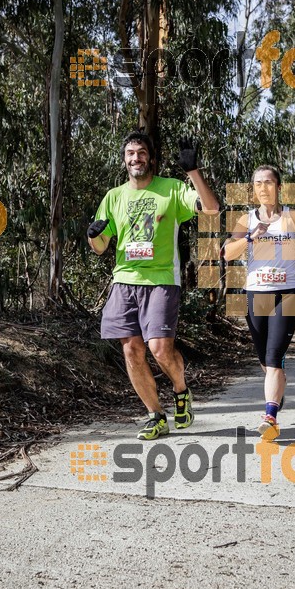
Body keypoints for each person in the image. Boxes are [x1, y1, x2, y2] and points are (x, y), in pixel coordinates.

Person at [88, 131, 219, 441]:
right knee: (132, 350)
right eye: (131, 153)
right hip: (125, 281)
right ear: (124, 160)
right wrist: (93, 234)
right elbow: (101, 247)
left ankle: (181, 390)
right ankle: (155, 416)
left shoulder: (171, 190)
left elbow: (212, 209)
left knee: (160, 350)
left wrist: (192, 171)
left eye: (142, 152)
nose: (137, 158)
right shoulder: (114, 197)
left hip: (161, 279)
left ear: (151, 158)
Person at [223, 165, 295, 438]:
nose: (263, 187)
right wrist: (250, 240)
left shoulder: (293, 217)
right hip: (255, 292)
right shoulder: (246, 220)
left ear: (279, 187)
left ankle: (270, 417)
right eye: (257, 183)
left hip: (288, 292)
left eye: (268, 182)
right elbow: (228, 254)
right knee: (266, 361)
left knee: (274, 358)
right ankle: (276, 391)